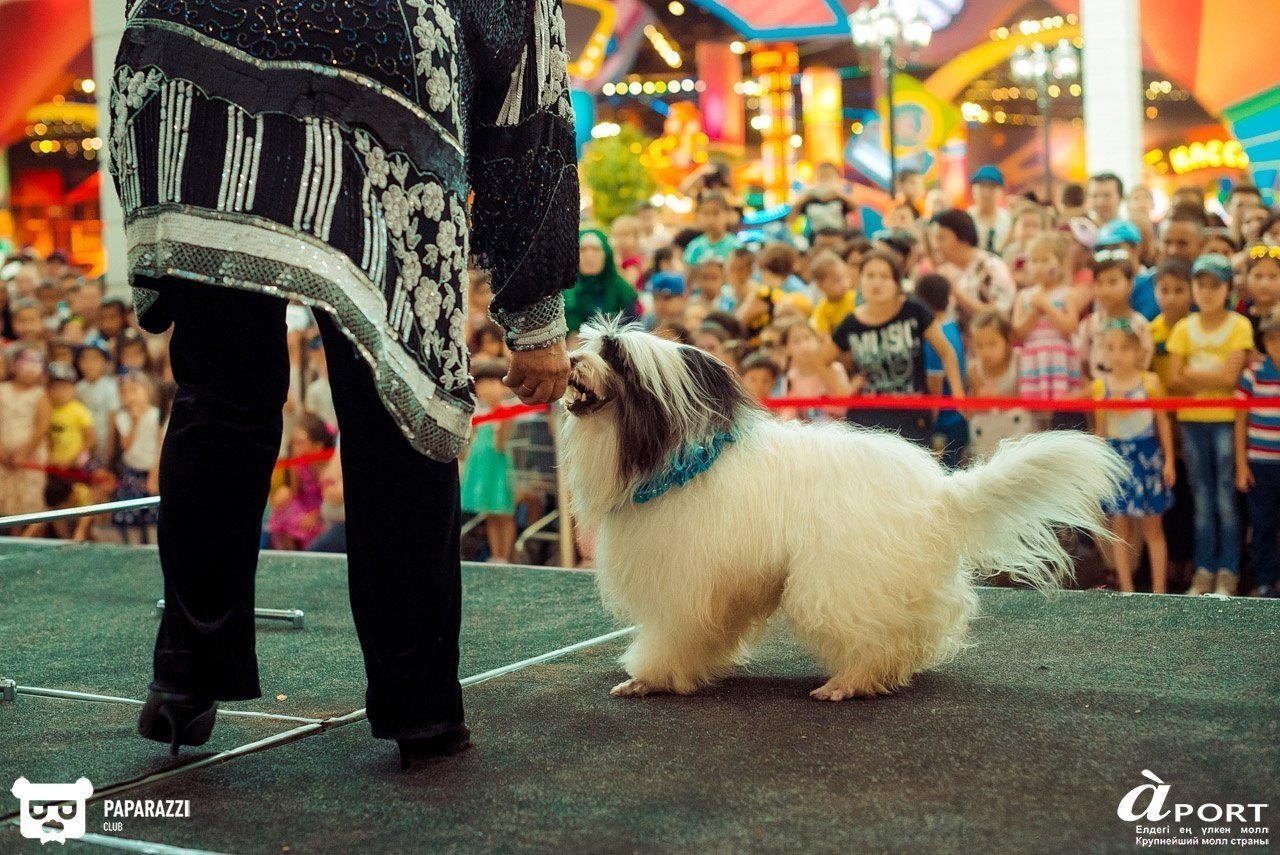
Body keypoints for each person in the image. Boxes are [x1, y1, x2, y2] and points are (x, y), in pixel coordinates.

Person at [111, 0, 577, 767]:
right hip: (374, 80)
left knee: (220, 398)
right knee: (395, 402)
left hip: (182, 70)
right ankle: (419, 704)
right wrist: (536, 319)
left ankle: (185, 677)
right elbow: (523, 80)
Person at [1167, 254, 1255, 597]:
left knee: (1226, 497)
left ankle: (1228, 571)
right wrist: (1216, 375)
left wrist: (1197, 374)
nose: (1206, 292)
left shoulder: (1239, 325)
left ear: (1228, 289)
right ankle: (1204, 570)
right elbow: (1173, 378)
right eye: (1200, 284)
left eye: (1214, 285)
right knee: (1202, 498)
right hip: (1191, 422)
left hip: (1226, 423)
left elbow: (1232, 379)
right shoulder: (1183, 328)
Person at [820, 250, 964, 443]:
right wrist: (843, 391)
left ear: (897, 282)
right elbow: (820, 360)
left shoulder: (914, 310)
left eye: (884, 276)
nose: (876, 283)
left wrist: (958, 392)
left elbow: (946, 351)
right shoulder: (852, 323)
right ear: (860, 280)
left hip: (912, 417)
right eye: (870, 276)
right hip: (866, 420)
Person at [1093, 321, 1176, 593]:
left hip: (1148, 457)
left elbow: (1162, 422)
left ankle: (1159, 589)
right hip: (1117, 458)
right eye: (1111, 348)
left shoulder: (1150, 382)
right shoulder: (1100, 386)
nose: (1117, 354)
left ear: (1139, 351)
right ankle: (1127, 589)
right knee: (1120, 526)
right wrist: (1100, 467)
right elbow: (1101, 431)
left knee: (1153, 527)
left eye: (1125, 348)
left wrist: (1170, 460)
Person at [1235, 308, 1280, 598]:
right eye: (1273, 338)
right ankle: (1265, 581)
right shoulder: (1252, 375)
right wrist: (1241, 464)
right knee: (1262, 525)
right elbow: (1240, 421)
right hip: (1260, 464)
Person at [1013, 234, 1083, 408]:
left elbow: (1070, 326)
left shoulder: (1067, 293)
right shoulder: (1025, 296)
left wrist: (1047, 306)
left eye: (1045, 260)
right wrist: (1034, 312)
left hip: (1059, 358)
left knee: (1061, 409)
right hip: (1034, 358)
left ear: (1059, 263)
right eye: (1034, 261)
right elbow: (1018, 332)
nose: (1039, 266)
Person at [460, 359, 518, 562]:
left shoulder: (506, 412)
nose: (488, 388)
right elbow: (470, 439)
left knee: (504, 512)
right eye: (483, 383)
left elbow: (502, 444)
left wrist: (502, 423)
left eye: (495, 382)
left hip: (499, 467)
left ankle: (506, 555)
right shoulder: (479, 412)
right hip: (481, 465)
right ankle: (495, 555)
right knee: (491, 513)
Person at [930, 209, 1016, 331]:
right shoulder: (946, 271)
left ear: (963, 238)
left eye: (942, 238)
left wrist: (955, 291)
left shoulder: (991, 267)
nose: (936, 245)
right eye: (935, 239)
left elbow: (1000, 315)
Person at [1077, 249, 1153, 382]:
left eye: (1113, 282)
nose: (1105, 290)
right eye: (1099, 283)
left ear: (1130, 284)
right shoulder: (1089, 324)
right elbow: (1083, 363)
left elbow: (1144, 364)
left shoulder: (1140, 324)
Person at [915, 273, 967, 467]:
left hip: (945, 422)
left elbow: (935, 386)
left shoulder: (935, 337)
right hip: (956, 417)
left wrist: (928, 426)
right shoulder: (951, 325)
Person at [966, 310, 1031, 459]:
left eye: (992, 344)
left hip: (1016, 429)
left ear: (1008, 340)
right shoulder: (974, 368)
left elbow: (1026, 402)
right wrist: (981, 401)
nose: (985, 351)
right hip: (989, 430)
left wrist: (999, 399)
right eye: (979, 346)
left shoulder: (1019, 359)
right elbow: (975, 410)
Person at [109, 371, 163, 543]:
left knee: (152, 518)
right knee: (130, 517)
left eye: (135, 390)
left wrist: (155, 474)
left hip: (151, 471)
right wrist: (134, 420)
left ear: (147, 391)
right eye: (125, 392)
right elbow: (126, 445)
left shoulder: (157, 415)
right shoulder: (123, 417)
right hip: (131, 473)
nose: (130, 396)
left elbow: (159, 446)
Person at [267, 414, 333, 550]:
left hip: (322, 508)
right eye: (294, 442)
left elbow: (330, 499)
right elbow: (295, 491)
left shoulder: (329, 464)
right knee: (282, 513)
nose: (295, 447)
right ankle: (288, 556)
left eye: (300, 442)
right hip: (304, 504)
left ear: (318, 446)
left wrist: (317, 515)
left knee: (311, 525)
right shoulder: (298, 462)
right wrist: (283, 495)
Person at [0, 348, 50, 524]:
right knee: (8, 506)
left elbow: (43, 425)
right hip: (3, 460)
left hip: (31, 459)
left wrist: (25, 452)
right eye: (24, 364)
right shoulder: (2, 390)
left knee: (30, 507)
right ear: (13, 365)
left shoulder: (40, 394)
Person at [565, 230, 640, 333]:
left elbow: (633, 334)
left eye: (596, 249)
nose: (589, 255)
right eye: (582, 249)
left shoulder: (622, 291)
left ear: (606, 254)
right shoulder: (564, 291)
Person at [685, 192, 742, 265]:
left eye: (716, 213)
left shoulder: (736, 247)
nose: (710, 219)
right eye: (706, 213)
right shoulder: (694, 247)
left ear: (727, 214)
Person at [809, 251, 857, 336]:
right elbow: (823, 336)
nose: (845, 283)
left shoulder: (856, 297)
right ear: (819, 285)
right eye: (837, 280)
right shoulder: (822, 310)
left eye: (845, 277)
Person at [967, 165, 1012, 253]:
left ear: (1001, 191)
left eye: (992, 187)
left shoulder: (1008, 219)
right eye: (982, 186)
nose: (986, 193)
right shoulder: (966, 218)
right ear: (973, 190)